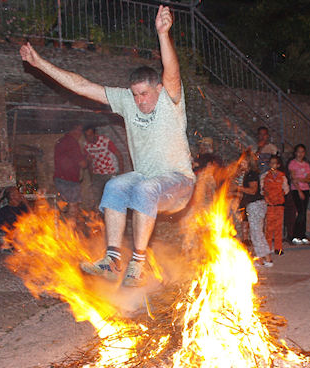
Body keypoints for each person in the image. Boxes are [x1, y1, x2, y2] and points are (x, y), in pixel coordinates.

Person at [20, 5, 195, 287]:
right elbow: (82, 86)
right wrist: (40, 64)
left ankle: (138, 263)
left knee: (145, 188)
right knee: (114, 186)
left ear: (158, 89)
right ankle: (112, 261)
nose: (139, 101)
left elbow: (172, 73)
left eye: (145, 94)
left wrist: (164, 34)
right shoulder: (126, 101)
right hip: (147, 179)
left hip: (179, 183)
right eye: (135, 95)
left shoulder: (170, 100)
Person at [237, 151, 273, 267]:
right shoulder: (248, 174)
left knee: (257, 234)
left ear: (248, 162)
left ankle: (267, 259)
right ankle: (261, 259)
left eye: (243, 161)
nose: (240, 163)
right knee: (255, 233)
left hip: (255, 205)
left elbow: (253, 190)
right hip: (254, 205)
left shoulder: (251, 174)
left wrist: (238, 188)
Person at [82, 127, 124, 209]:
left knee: (111, 197)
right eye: (87, 136)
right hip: (97, 173)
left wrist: (121, 172)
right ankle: (100, 215)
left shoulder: (105, 141)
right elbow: (89, 162)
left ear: (95, 134)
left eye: (90, 135)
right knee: (98, 198)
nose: (89, 138)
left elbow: (119, 155)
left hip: (110, 172)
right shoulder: (86, 145)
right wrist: (92, 177)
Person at [54, 124, 88, 219]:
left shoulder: (61, 141)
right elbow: (83, 164)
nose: (80, 133)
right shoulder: (72, 143)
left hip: (60, 179)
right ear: (73, 131)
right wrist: (87, 160)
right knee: (73, 207)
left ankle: (65, 225)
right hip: (69, 181)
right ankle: (70, 227)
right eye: (79, 130)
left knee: (64, 207)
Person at [261, 155, 290, 256]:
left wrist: (279, 195)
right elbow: (262, 189)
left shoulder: (282, 177)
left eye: (275, 163)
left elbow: (286, 190)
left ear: (278, 165)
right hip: (269, 205)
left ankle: (278, 248)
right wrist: (267, 197)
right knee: (268, 228)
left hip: (279, 205)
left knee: (278, 227)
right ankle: (268, 248)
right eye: (271, 163)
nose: (272, 165)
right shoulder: (265, 176)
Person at [288, 144, 310, 245]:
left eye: (302, 152)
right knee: (300, 212)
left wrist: (300, 179)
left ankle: (303, 235)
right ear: (295, 153)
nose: (300, 154)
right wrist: (299, 191)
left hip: (306, 189)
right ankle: (295, 235)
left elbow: (308, 179)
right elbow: (293, 179)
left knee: (304, 213)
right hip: (296, 190)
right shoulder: (293, 163)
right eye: (298, 152)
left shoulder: (306, 165)